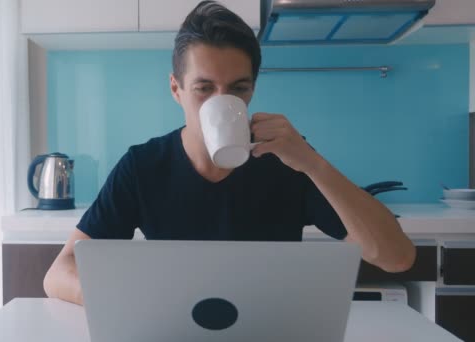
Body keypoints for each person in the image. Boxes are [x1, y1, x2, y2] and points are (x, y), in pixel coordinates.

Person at [43, 1, 415, 305]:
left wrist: (313, 164)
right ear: (176, 89)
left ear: (252, 89)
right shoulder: (143, 166)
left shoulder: (287, 161)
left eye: (238, 88)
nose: (222, 101)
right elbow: (60, 273)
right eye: (204, 88)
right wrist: (129, 300)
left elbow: (396, 256)